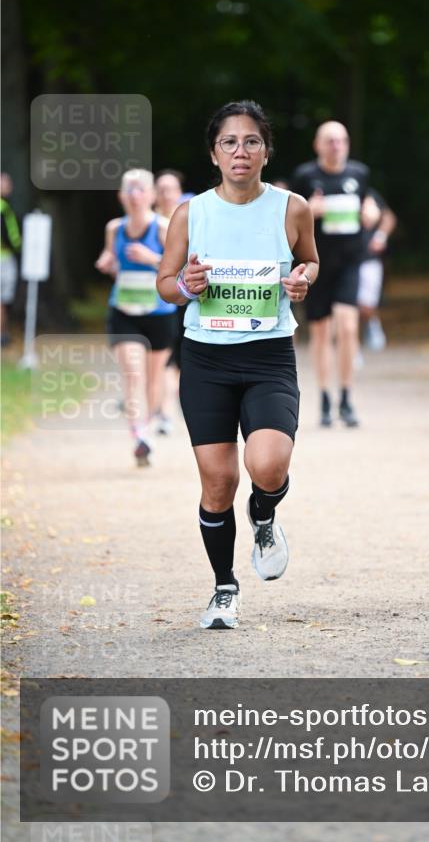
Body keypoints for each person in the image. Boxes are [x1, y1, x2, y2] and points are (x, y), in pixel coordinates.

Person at [157, 100, 318, 630]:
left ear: (266, 152)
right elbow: (166, 283)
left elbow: (309, 260)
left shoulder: (291, 208)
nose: (241, 151)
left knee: (268, 465)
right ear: (214, 153)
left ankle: (265, 514)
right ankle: (224, 587)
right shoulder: (192, 212)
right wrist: (185, 286)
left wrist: (302, 280)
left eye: (251, 141)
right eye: (230, 142)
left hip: (269, 355)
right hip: (205, 359)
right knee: (219, 481)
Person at [290, 121, 373, 427]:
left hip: (350, 261)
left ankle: (347, 397)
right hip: (315, 263)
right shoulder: (305, 176)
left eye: (341, 141)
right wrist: (309, 211)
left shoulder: (359, 174)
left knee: (349, 328)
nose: (336, 146)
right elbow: (289, 219)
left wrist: (371, 213)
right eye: (330, 141)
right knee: (322, 332)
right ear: (318, 145)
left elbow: (370, 206)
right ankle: (325, 397)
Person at [95, 168, 177, 466]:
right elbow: (113, 260)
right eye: (128, 189)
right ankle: (139, 434)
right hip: (124, 312)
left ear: (152, 195)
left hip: (159, 314)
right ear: (121, 196)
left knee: (153, 380)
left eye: (140, 188)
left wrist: (152, 258)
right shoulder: (114, 228)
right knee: (132, 372)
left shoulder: (163, 228)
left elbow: (177, 269)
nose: (134, 194)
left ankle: (148, 430)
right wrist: (109, 262)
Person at [154, 169, 188, 434]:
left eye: (170, 189)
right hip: (152, 301)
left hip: (182, 298)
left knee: (177, 358)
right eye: (161, 189)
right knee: (164, 359)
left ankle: (169, 406)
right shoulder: (147, 221)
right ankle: (163, 411)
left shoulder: (190, 218)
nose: (166, 194)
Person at [358, 189, 397, 352]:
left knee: (366, 305)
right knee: (346, 306)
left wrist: (380, 237)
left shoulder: (368, 194)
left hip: (368, 258)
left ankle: (372, 323)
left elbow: (388, 217)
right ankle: (352, 346)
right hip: (342, 260)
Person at [0, 173, 21, 347]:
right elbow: (12, 236)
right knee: (2, 300)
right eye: (6, 183)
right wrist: (19, 249)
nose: (9, 186)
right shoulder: (3, 207)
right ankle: (2, 335)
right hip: (4, 259)